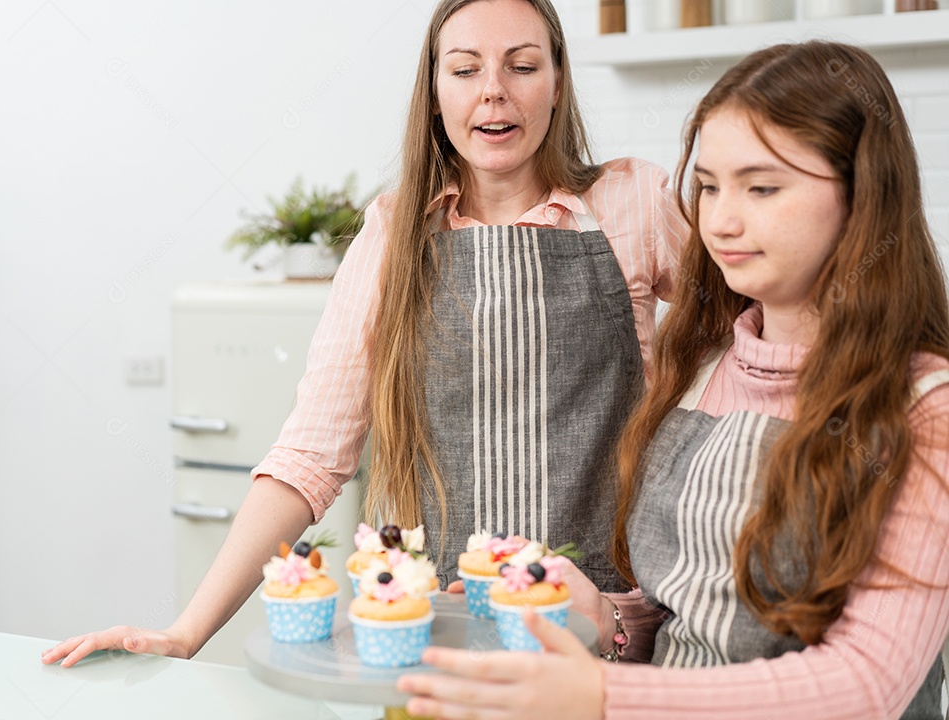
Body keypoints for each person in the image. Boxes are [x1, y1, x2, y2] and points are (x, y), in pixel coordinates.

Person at [42, 0, 685, 668]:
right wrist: (187, 631)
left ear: (557, 82)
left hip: (597, 637)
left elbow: (751, 331)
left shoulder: (631, 202)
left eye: (522, 65)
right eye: (465, 69)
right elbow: (309, 456)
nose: (494, 87)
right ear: (435, 96)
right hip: (429, 640)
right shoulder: (392, 234)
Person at [397, 40, 949, 719]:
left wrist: (602, 695)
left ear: (864, 196)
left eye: (763, 187)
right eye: (710, 186)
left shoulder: (926, 412)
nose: (720, 220)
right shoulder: (702, 374)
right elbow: (690, 621)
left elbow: (869, 685)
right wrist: (605, 618)